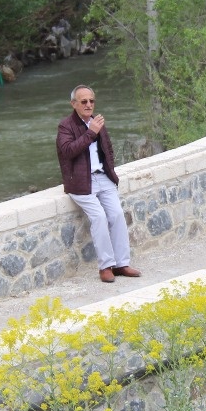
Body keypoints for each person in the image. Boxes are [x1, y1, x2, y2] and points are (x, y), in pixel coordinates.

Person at [56, 85, 141, 283]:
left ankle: (122, 263)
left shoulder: (97, 122)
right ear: (74, 104)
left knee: (117, 215)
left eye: (91, 101)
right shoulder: (65, 126)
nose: (88, 105)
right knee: (99, 217)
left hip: (103, 177)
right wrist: (90, 133)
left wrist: (110, 171)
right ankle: (105, 266)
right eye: (83, 101)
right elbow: (67, 151)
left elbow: (108, 149)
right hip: (80, 182)